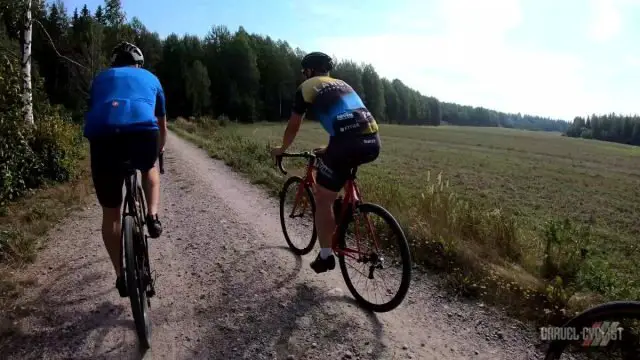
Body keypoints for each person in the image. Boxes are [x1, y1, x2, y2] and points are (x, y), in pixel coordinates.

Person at [271, 52, 381, 273]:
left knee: (323, 197)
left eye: (304, 72)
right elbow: (348, 119)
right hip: (373, 140)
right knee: (340, 170)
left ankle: (326, 256)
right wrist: (330, 148)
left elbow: (293, 126)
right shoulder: (342, 84)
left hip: (346, 143)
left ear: (310, 71)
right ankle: (347, 209)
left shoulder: (307, 88)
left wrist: (281, 149)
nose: (303, 76)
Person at [83, 41, 167, 297]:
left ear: (115, 63)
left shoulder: (100, 79)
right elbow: (162, 125)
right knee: (149, 169)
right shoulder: (150, 78)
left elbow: (94, 110)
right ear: (138, 63)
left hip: (103, 139)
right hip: (141, 134)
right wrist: (159, 150)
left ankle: (121, 275)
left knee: (111, 215)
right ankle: (152, 216)